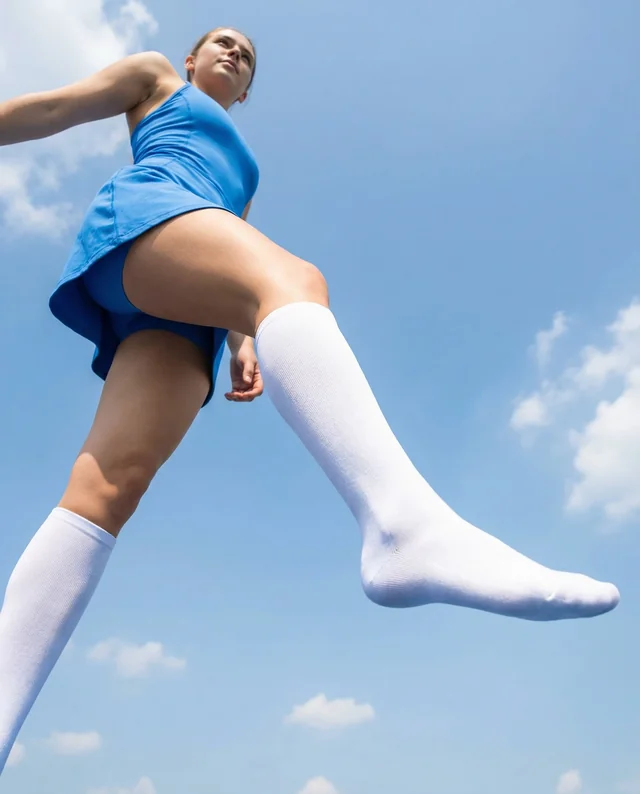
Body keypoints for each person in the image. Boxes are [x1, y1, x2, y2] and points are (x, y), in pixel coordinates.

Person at [0, 26, 620, 773]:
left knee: (107, 490)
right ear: (191, 59)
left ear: (247, 92)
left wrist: (242, 341)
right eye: (223, 43)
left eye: (248, 56)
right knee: (297, 282)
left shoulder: (245, 170)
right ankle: (402, 528)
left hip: (190, 296)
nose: (236, 53)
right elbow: (50, 109)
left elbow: (226, 250)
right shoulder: (156, 77)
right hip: (148, 217)